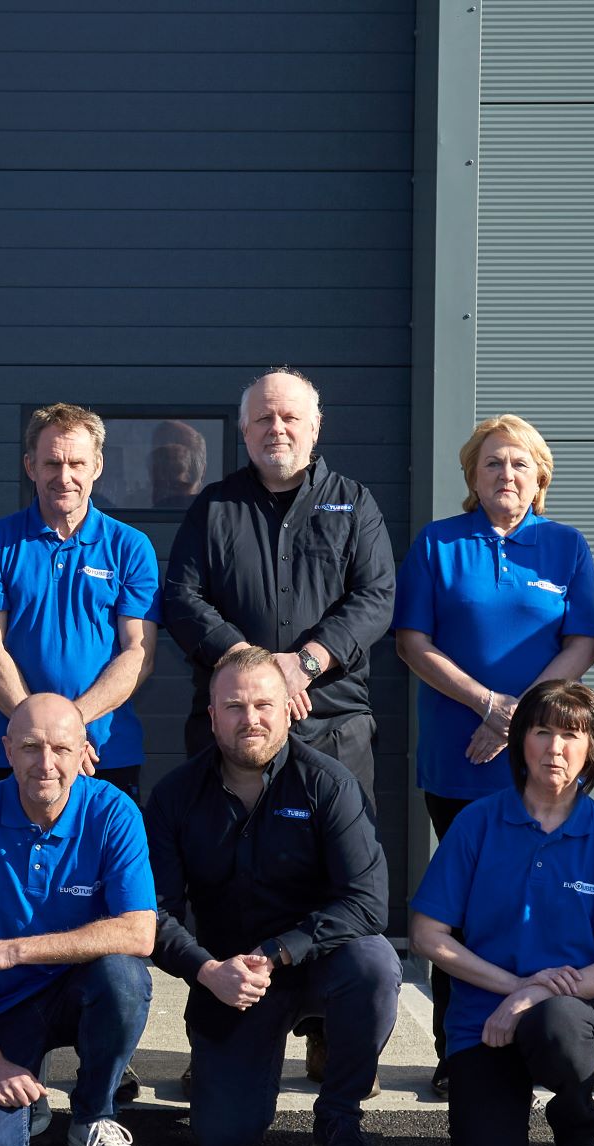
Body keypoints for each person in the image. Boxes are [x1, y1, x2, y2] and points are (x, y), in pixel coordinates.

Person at [160, 368, 397, 1084]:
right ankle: (223, 1018)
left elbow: (376, 595)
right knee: (223, 882)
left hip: (332, 725)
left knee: (336, 880)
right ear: (244, 430)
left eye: (290, 417)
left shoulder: (354, 504)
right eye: (263, 418)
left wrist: (308, 662)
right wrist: (251, 669)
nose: (277, 429)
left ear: (315, 427)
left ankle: (330, 1033)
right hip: (231, 727)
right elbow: (182, 596)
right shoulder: (214, 508)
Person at [393, 413, 594, 1090]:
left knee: (542, 900)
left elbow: (581, 644)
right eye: (491, 463)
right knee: (463, 907)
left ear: (540, 477)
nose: (505, 474)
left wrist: (517, 719)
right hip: (459, 759)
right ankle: (458, 1051)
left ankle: (546, 1034)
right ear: (471, 476)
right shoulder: (438, 543)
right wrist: (488, 705)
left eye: (518, 463)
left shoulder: (566, 546)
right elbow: (412, 643)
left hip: (546, 760)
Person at [144, 647, 401, 1146]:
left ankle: (340, 1117)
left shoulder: (329, 784)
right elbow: (154, 913)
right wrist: (207, 971)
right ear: (212, 716)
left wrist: (280, 950)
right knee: (222, 1137)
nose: (251, 719)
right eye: (234, 707)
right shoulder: (174, 797)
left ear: (289, 708)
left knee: (375, 964)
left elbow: (368, 903)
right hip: (230, 978)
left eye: (264, 705)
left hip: (320, 961)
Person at [409, 681, 594, 1146]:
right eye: (541, 732)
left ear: (592, 749)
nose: (554, 748)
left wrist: (534, 995)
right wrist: (515, 988)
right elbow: (427, 936)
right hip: (483, 1017)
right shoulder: (476, 823)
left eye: (571, 735)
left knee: (557, 1024)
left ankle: (576, 1126)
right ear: (520, 742)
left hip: (573, 1012)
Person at [0, 695, 157, 1146]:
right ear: (7, 750)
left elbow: (139, 933)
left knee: (125, 978)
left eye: (61, 749)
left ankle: (93, 1114)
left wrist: (17, 950)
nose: (45, 764)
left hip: (79, 991)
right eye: (30, 747)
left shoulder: (114, 812)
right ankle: (29, 1091)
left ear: (84, 752)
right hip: (2, 1005)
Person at [0, 403, 160, 797]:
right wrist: (38, 736)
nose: (65, 476)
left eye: (77, 463)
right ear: (30, 466)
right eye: (52, 463)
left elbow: (139, 654)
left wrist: (71, 729)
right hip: (17, 754)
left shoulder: (130, 547)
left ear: (97, 466)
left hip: (103, 752)